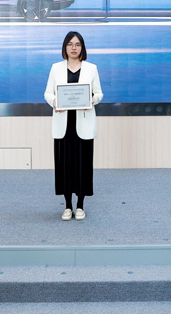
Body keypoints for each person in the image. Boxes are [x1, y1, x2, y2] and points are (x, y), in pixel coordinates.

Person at [44, 31, 103, 221]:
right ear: (65, 47)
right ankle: (68, 206)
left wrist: (92, 100)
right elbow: (48, 93)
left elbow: (99, 94)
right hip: (63, 125)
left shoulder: (91, 69)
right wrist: (54, 102)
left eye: (77, 44)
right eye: (70, 44)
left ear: (82, 47)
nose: (74, 48)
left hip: (84, 124)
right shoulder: (56, 68)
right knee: (65, 166)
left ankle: (80, 206)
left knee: (83, 165)